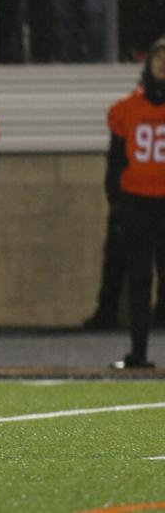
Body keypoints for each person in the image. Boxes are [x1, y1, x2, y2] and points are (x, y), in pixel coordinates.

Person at [105, 39, 165, 369]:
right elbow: (114, 161)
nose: (162, 65)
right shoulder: (126, 110)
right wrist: (116, 202)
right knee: (139, 281)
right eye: (158, 58)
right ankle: (138, 352)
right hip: (138, 203)